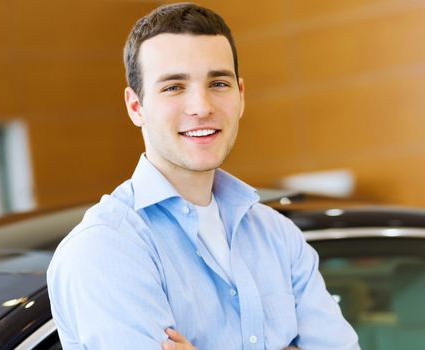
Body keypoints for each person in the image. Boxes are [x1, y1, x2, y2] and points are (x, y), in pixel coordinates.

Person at [47, 3, 359, 350]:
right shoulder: (108, 247)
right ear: (136, 107)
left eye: (218, 83)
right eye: (174, 87)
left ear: (240, 96)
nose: (202, 106)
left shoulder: (278, 235)